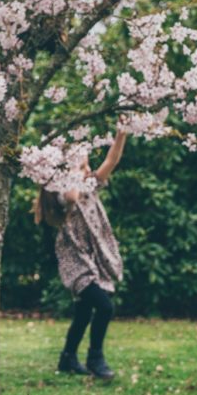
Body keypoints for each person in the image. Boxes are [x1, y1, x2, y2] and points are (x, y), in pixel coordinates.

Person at [34, 126, 128, 381]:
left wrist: (121, 134)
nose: (87, 169)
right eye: (83, 165)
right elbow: (73, 195)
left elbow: (112, 160)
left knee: (84, 312)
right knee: (105, 307)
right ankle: (95, 358)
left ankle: (67, 358)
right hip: (76, 263)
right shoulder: (62, 193)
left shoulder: (91, 186)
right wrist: (75, 164)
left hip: (95, 258)